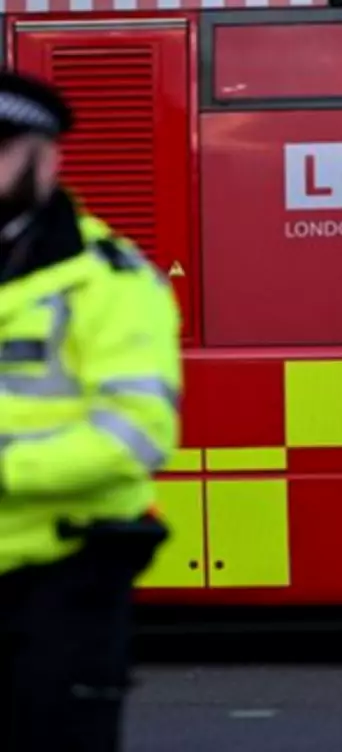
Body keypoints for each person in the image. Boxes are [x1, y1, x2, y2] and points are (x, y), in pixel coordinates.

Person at [0, 70, 182, 750]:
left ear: (49, 159)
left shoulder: (111, 284)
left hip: (62, 585)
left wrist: (6, 470)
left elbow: (135, 434)